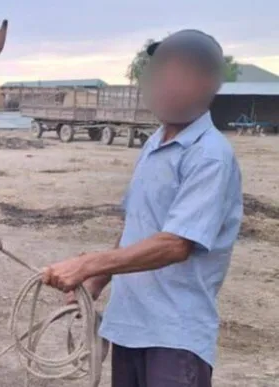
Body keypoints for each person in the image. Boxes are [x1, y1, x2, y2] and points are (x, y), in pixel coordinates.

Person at [41, 29, 243, 387]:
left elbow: (176, 244)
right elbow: (139, 226)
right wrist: (97, 282)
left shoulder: (209, 155)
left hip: (174, 338)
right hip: (130, 328)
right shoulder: (154, 143)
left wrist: (87, 263)